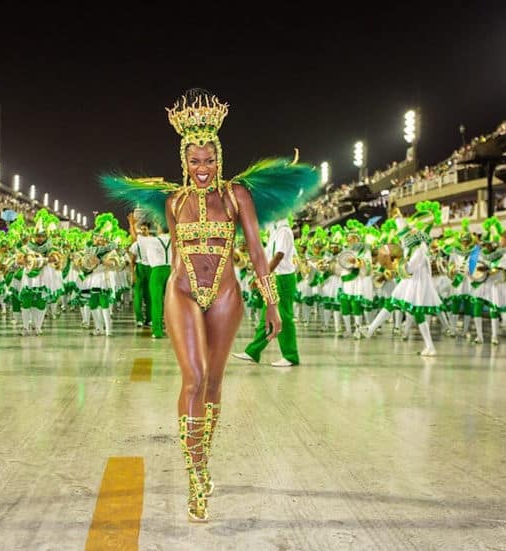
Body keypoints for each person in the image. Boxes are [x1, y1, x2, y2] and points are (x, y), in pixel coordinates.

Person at [101, 88, 320, 522]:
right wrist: (165, 293)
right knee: (195, 377)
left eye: (209, 160)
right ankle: (196, 474)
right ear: (184, 161)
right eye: (195, 161)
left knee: (214, 384)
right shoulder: (173, 201)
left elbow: (257, 252)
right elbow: (176, 259)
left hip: (225, 294)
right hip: (182, 292)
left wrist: (272, 305)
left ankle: (204, 456)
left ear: (219, 158)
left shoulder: (238, 195)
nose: (202, 169)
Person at [233, 218, 300, 366]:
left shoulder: (284, 231)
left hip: (283, 279)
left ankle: (290, 356)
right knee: (266, 316)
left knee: (284, 317)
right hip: (275, 277)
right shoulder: (274, 231)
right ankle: (253, 352)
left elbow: (278, 256)